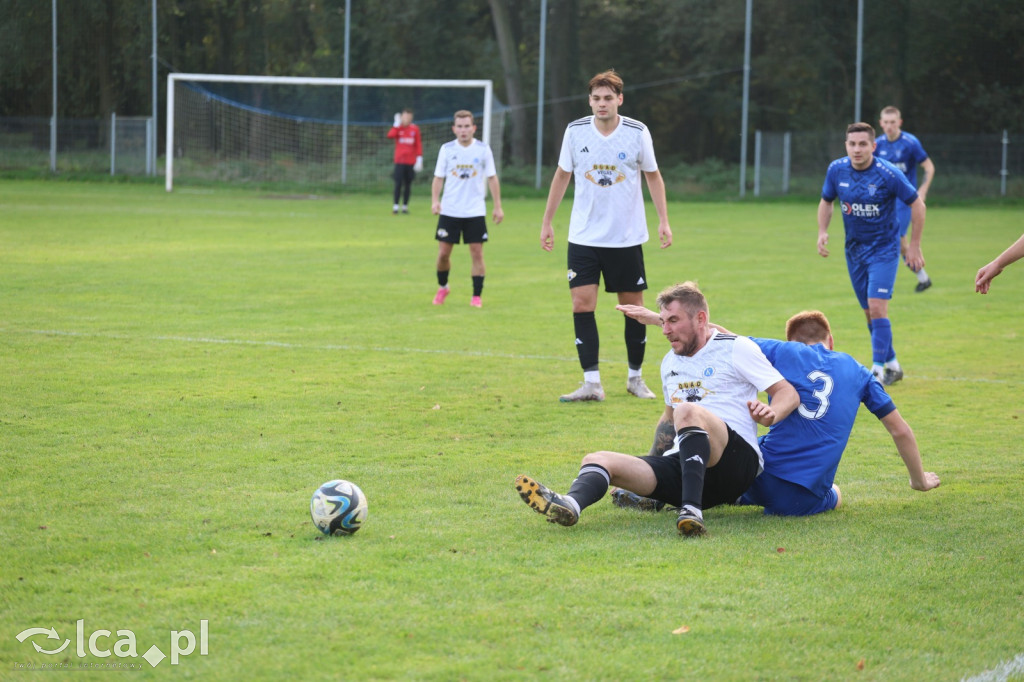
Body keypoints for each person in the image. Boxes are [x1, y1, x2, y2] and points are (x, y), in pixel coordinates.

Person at [514, 282, 799, 537]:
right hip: (686, 469)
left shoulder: (736, 348)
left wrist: (773, 413)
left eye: (672, 321)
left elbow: (787, 393)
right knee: (598, 458)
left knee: (687, 411)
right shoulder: (669, 363)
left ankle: (691, 511)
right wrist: (648, 470)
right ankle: (570, 504)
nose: (665, 330)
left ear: (701, 319)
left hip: (736, 465)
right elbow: (668, 420)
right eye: (662, 322)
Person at [614, 310, 941, 516]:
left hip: (753, 476)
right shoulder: (857, 371)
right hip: (797, 498)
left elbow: (714, 332)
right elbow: (899, 430)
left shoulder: (780, 351)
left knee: (720, 451)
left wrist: (659, 319)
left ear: (792, 341)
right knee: (837, 492)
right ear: (831, 340)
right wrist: (919, 480)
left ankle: (665, 490)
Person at [540, 69, 672, 403]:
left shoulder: (637, 132)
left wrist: (663, 221)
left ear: (619, 100)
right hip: (583, 237)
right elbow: (561, 176)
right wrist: (547, 222)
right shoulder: (575, 132)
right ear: (590, 101)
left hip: (625, 238)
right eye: (596, 98)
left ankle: (635, 377)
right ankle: (591, 383)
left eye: (608, 98)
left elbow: (654, 177)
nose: (602, 104)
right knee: (581, 305)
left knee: (633, 309)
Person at [818, 122, 925, 386]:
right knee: (869, 313)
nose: (857, 149)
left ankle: (876, 371)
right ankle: (893, 364)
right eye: (852, 144)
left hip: (884, 250)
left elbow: (917, 204)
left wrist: (914, 245)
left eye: (863, 144)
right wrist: (822, 231)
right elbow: (826, 201)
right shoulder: (836, 169)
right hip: (854, 251)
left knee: (877, 308)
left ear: (873, 146)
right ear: (846, 145)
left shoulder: (887, 174)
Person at [430, 110, 503, 308]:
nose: (463, 130)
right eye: (460, 127)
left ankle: (476, 296)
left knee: (477, 253)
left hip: (475, 211)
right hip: (450, 210)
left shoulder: (482, 149)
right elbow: (438, 178)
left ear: (473, 128)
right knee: (444, 253)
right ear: (454, 129)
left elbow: (492, 178)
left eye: (467, 126)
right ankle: (443, 286)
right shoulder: (446, 149)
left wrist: (497, 206)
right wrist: (435, 201)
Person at [876, 106, 936, 292]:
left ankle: (882, 283)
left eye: (893, 122)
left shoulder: (910, 143)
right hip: (885, 202)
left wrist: (923, 190)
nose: (889, 126)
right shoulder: (877, 145)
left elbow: (929, 167)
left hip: (904, 202)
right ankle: (923, 278)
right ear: (881, 123)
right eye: (885, 122)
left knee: (896, 238)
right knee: (898, 243)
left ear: (899, 122)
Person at [387, 108, 423, 215]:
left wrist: (419, 158)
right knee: (398, 184)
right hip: (399, 161)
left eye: (409, 117)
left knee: (408, 185)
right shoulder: (398, 128)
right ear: (401, 117)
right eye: (405, 116)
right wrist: (396, 125)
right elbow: (390, 135)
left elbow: (418, 144)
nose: (407, 119)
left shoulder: (414, 129)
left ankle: (405, 207)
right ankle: (395, 207)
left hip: (410, 162)